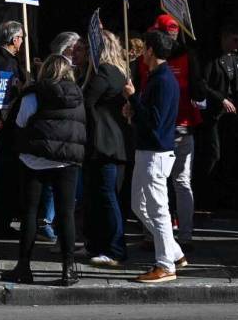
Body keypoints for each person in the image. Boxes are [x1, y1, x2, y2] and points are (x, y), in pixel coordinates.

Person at [6, 54, 87, 285]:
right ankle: (68, 268)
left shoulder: (34, 95)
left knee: (30, 213)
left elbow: (20, 123)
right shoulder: (77, 95)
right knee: (65, 213)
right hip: (66, 161)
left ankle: (24, 266)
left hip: (35, 159)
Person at [135, 14, 206, 255]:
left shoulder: (152, 63)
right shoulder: (184, 57)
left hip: (166, 131)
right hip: (178, 127)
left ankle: (159, 240)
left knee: (159, 186)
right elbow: (197, 89)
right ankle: (180, 239)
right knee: (177, 184)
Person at [129, 28, 184, 283]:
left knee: (158, 209)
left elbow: (154, 121)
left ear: (150, 51)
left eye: (144, 50)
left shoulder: (163, 80)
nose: (141, 54)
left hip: (155, 152)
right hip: (149, 150)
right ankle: (174, 252)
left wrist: (133, 99)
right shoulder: (157, 77)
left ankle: (165, 265)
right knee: (138, 205)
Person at [76, 29, 133, 268]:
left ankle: (115, 248)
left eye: (91, 48)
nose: (88, 53)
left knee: (107, 198)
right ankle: (98, 245)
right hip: (111, 144)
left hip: (104, 144)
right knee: (99, 197)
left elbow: (84, 101)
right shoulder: (120, 72)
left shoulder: (105, 73)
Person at [0, 20, 26, 238]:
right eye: (21, 38)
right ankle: (1, 219)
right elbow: (5, 96)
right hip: (6, 126)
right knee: (4, 177)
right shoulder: (6, 63)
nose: (22, 42)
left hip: (5, 125)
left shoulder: (5, 60)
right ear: (14, 39)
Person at [199, 24, 238, 209]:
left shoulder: (236, 59)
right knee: (214, 154)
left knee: (230, 154)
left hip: (232, 116)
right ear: (224, 38)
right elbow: (203, 84)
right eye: (234, 39)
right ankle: (208, 195)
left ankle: (228, 197)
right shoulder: (212, 59)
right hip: (215, 114)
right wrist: (221, 100)